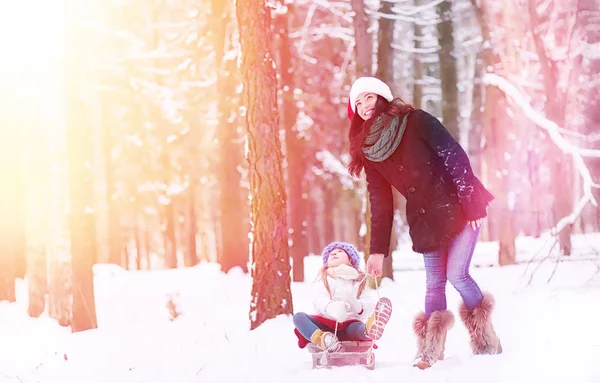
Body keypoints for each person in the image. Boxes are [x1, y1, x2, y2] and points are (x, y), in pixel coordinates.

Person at [346, 77, 502, 369]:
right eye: (358, 102)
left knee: (457, 274)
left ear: (382, 97)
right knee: (434, 284)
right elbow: (380, 202)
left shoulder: (415, 120)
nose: (364, 105)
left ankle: (485, 340)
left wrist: (472, 203)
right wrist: (377, 251)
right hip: (425, 219)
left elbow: (454, 155)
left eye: (368, 97)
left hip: (460, 205)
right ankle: (429, 352)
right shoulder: (371, 152)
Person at [292, 241, 393, 352]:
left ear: (350, 260)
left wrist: (357, 305)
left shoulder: (359, 281)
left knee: (357, 329)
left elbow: (369, 302)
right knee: (299, 317)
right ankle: (324, 340)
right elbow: (319, 298)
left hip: (349, 325)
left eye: (340, 252)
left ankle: (369, 331)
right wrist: (331, 308)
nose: (334, 254)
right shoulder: (323, 278)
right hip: (325, 324)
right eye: (331, 254)